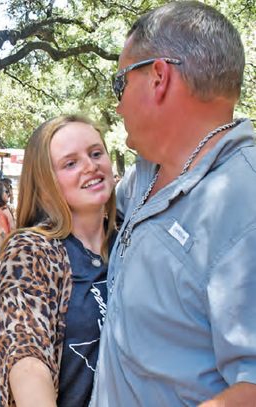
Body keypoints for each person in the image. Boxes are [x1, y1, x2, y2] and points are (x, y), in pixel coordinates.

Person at [90, 3, 256, 407]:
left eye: (119, 84)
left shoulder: (244, 205)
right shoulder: (147, 173)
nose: (117, 105)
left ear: (158, 77)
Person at [0, 115, 117, 407]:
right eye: (70, 163)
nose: (90, 166)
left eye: (96, 153)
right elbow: (25, 352)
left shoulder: (132, 237)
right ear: (46, 184)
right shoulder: (33, 250)